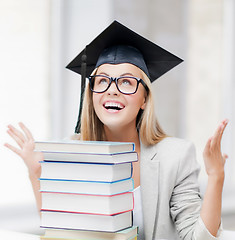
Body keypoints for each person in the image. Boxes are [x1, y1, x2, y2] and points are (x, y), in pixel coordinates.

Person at [5, 21, 228, 240]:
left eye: (127, 82)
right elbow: (63, 231)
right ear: (91, 94)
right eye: (102, 81)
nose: (112, 90)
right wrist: (36, 174)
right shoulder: (73, 152)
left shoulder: (176, 157)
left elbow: (198, 238)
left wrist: (216, 176)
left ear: (144, 98)